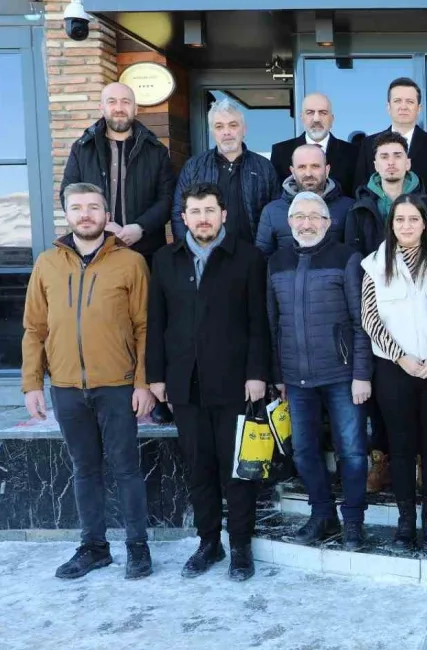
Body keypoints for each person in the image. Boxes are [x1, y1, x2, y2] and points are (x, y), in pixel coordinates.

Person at [22, 182, 155, 580]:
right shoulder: (47, 263)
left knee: (126, 468)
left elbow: (145, 327)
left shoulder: (130, 263)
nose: (86, 214)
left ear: (106, 214)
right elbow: (34, 327)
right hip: (65, 387)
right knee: (84, 469)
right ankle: (94, 547)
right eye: (77, 207)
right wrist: (32, 383)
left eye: (93, 207)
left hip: (117, 384)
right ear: (67, 214)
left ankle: (137, 546)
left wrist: (143, 382)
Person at [146, 183, 270, 582]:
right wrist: (156, 375)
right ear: (183, 217)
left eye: (210, 210)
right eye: (195, 211)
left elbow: (258, 323)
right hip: (184, 383)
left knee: (237, 469)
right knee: (198, 467)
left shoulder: (247, 257)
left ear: (224, 215)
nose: (203, 218)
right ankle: (208, 543)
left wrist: (257, 373)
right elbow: (156, 323)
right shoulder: (165, 259)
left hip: (235, 382)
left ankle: (240, 547)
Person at [267, 192, 372, 551]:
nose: (307, 223)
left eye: (315, 216)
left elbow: (362, 322)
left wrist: (362, 373)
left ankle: (354, 521)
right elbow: (273, 323)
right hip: (296, 378)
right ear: (289, 222)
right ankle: (322, 514)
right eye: (299, 216)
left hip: (343, 375)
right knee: (303, 451)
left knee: (353, 451)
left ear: (329, 223)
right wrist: (278, 375)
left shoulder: (346, 258)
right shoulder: (276, 262)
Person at [361, 194, 427, 550]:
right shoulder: (373, 265)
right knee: (400, 448)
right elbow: (370, 318)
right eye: (400, 220)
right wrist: (401, 357)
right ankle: (404, 522)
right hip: (394, 369)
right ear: (391, 224)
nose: (407, 226)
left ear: (425, 223)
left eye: (414, 219)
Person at [60, 82, 175, 264]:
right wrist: (102, 226)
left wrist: (140, 228)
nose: (119, 108)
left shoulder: (156, 150)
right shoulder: (82, 149)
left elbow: (168, 198)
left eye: (126, 102)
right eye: (112, 102)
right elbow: (68, 194)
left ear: (136, 109)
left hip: (146, 252)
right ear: (102, 108)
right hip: (95, 252)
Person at [172, 97, 278, 243]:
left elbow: (275, 214)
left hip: (253, 257)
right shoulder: (194, 167)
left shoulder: (264, 167)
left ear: (244, 129)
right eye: (219, 126)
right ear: (212, 132)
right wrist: (191, 252)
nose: (226, 132)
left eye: (233, 125)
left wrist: (263, 254)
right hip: (206, 257)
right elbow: (179, 212)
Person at [347, 131, 427, 258]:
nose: (391, 162)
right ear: (376, 165)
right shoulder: (359, 209)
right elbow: (353, 257)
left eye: (397, 156)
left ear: (408, 163)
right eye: (384, 157)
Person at [356, 77, 427, 197]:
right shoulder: (368, 144)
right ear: (388, 107)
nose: (403, 107)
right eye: (397, 101)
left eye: (409, 101)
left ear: (419, 108)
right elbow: (360, 189)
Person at [256, 144, 352, 256]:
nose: (308, 173)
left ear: (327, 170)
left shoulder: (348, 208)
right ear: (292, 171)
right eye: (302, 167)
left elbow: (353, 257)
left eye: (315, 166)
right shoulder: (271, 212)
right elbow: (262, 259)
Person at [270, 92, 359, 194]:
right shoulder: (281, 152)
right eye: (310, 112)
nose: (316, 119)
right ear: (302, 118)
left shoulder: (353, 153)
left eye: (323, 113)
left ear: (332, 119)